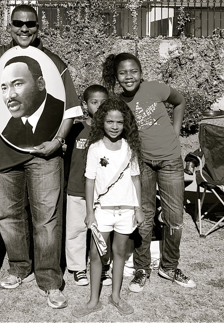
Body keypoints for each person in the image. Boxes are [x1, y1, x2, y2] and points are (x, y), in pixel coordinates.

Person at [0, 4, 82, 309]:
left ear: (38, 26)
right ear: (10, 25)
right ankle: (18, 267)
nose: (24, 29)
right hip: (4, 151)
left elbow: (71, 109)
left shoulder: (52, 62)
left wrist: (57, 141)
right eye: (18, 23)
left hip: (45, 153)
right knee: (9, 216)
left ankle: (50, 279)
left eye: (30, 24)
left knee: (47, 219)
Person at [101, 53, 196, 293]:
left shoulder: (155, 89)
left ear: (141, 73)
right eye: (122, 73)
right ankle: (142, 269)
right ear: (117, 77)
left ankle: (170, 267)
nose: (128, 76)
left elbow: (180, 100)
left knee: (174, 217)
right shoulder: (118, 103)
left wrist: (175, 132)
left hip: (171, 161)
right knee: (143, 217)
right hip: (142, 164)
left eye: (133, 71)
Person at [72, 97, 144, 318]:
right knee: (96, 254)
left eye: (119, 123)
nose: (114, 127)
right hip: (102, 211)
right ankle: (93, 301)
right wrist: (90, 213)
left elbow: (136, 178)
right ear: (102, 121)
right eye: (110, 122)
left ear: (125, 124)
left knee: (119, 252)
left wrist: (138, 208)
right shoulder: (94, 148)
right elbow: (89, 180)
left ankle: (115, 296)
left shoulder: (130, 147)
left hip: (126, 211)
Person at [65, 84, 112, 287]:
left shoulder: (111, 130)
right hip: (76, 188)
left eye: (103, 102)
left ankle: (101, 267)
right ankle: (77, 268)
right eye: (94, 102)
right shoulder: (75, 129)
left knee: (101, 230)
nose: (99, 106)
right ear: (85, 105)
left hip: (103, 191)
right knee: (76, 229)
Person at [0, 55, 64, 149]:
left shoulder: (61, 113)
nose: (9, 95)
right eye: (4, 88)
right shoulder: (8, 131)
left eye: (18, 84)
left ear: (40, 84)